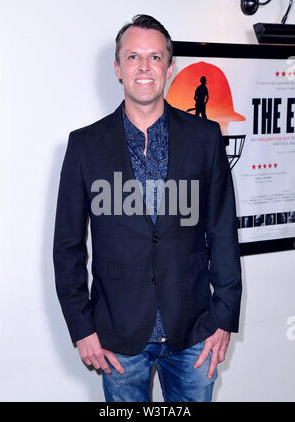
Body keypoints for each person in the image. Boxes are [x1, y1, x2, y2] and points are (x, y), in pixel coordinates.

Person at [53, 14, 242, 402]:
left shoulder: (205, 138)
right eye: (133, 57)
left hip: (194, 332)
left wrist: (223, 319)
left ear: (170, 68)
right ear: (118, 68)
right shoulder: (84, 146)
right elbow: (67, 247)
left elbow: (223, 232)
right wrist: (82, 328)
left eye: (155, 57)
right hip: (118, 335)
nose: (144, 67)